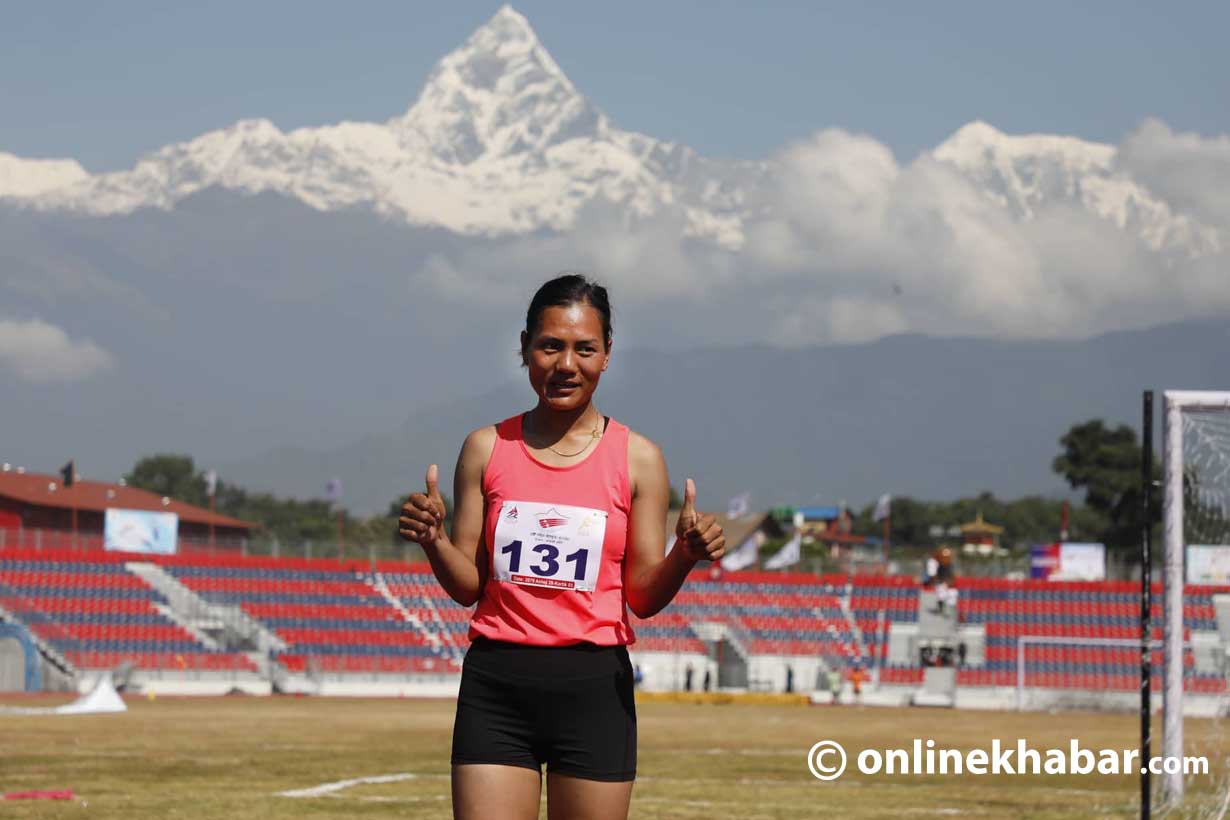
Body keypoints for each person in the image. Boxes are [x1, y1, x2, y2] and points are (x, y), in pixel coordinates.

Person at [398, 274, 727, 820]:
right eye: (550, 345)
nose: (565, 364)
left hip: (594, 690)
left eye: (584, 349)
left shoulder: (638, 458)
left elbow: (642, 597)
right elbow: (467, 586)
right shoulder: (485, 448)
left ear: (607, 356)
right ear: (524, 348)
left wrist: (684, 556)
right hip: (496, 686)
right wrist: (433, 540)